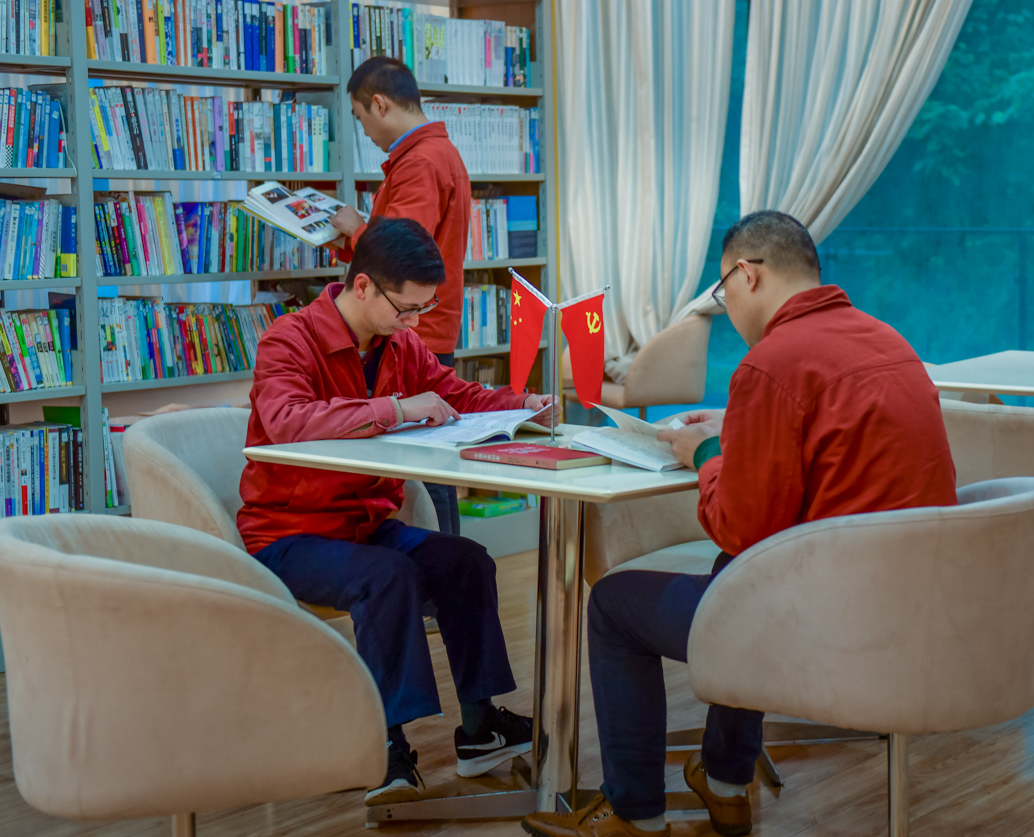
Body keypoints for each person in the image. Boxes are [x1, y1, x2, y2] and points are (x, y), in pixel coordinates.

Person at [521, 211, 958, 837]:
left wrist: (704, 453)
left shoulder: (773, 362)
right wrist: (737, 427)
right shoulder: (888, 341)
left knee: (616, 606)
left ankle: (637, 818)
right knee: (738, 573)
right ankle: (726, 783)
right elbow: (829, 441)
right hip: (914, 606)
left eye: (724, 294)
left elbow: (738, 526)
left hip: (827, 625)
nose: (728, 311)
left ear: (747, 275)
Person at [238, 217, 556, 806]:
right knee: (388, 577)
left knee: (466, 561)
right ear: (362, 286)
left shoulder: (397, 342)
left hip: (366, 527)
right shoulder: (288, 339)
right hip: (288, 535)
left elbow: (455, 394)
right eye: (406, 308)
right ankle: (386, 750)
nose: (414, 322)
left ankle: (480, 728)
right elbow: (286, 421)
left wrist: (522, 405)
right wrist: (397, 408)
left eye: (423, 308)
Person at [328, 56, 472, 535]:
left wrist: (356, 229)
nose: (365, 131)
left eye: (360, 117)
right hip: (422, 324)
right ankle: (442, 561)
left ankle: (440, 564)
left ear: (379, 104)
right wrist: (348, 242)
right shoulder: (432, 154)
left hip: (412, 327)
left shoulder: (420, 162)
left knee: (426, 467)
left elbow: (401, 253)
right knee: (430, 462)